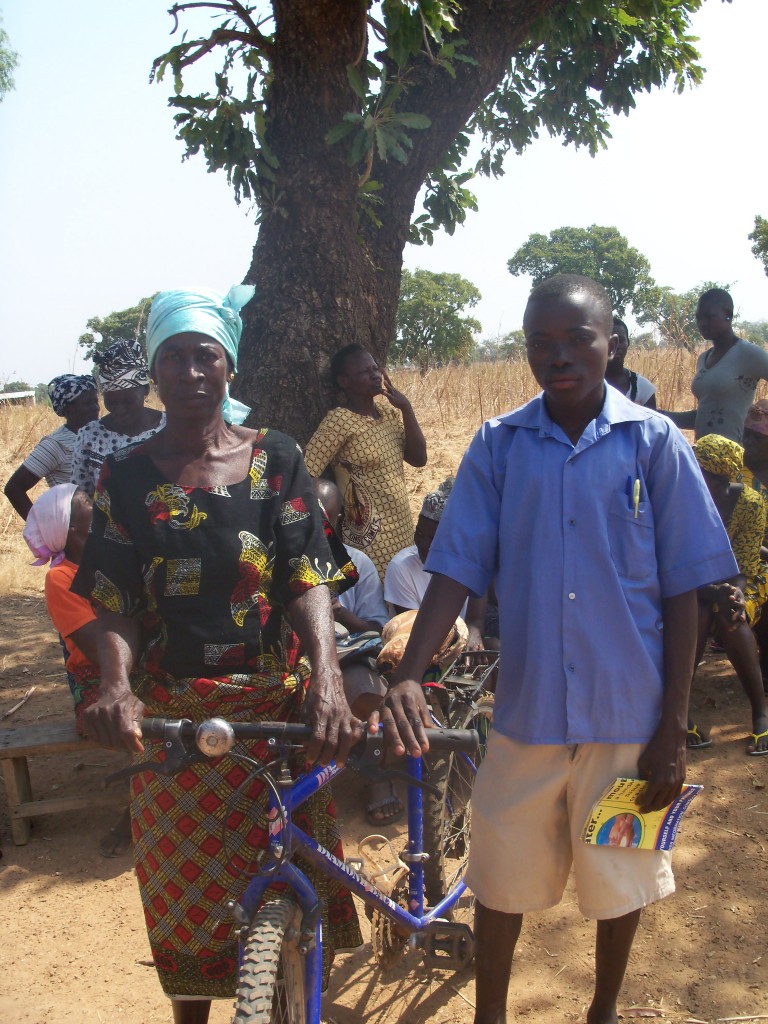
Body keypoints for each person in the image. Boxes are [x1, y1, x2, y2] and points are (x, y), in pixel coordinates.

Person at [376, 274, 737, 1024]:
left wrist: (673, 727)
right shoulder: (500, 446)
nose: (559, 355)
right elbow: (456, 569)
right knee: (498, 876)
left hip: (629, 719)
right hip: (528, 714)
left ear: (614, 344)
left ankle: (602, 1009)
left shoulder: (655, 442)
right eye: (541, 343)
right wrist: (409, 675)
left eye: (578, 339)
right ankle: (491, 1015)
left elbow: (685, 591)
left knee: (621, 878)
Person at [72, 286, 363, 1023]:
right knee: (185, 897)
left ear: (230, 368)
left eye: (207, 356)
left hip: (274, 708)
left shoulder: (278, 457)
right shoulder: (128, 478)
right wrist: (115, 684)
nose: (192, 371)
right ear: (154, 371)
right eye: (175, 356)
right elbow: (112, 596)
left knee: (291, 873)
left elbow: (307, 579)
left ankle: (299, 996)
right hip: (172, 722)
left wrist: (327, 680)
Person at [22, 483, 134, 856]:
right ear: (70, 530)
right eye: (86, 510)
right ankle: (133, 816)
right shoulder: (61, 579)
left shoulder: (103, 563)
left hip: (129, 669)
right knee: (160, 713)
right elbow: (99, 653)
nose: (95, 508)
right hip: (97, 684)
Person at [314, 478, 399, 824]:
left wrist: (341, 614)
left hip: (347, 652)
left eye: (324, 520)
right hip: (299, 658)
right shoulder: (282, 556)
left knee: (366, 692)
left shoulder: (356, 564)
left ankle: (376, 777)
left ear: (335, 522)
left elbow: (380, 631)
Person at [304, 343, 427, 581]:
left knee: (402, 607)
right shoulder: (339, 421)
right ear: (344, 381)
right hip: (368, 541)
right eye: (365, 372)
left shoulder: (388, 414)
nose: (375, 375)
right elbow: (307, 473)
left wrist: (407, 409)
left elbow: (419, 459)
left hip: (402, 531)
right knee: (377, 606)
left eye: (375, 368)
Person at [685, 434, 768, 755]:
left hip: (736, 578)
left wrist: (731, 594)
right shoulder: (678, 498)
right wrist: (711, 590)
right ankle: (679, 714)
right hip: (689, 580)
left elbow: (743, 565)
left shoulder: (750, 504)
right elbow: (670, 560)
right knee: (699, 610)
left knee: (733, 614)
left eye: (720, 479)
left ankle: (760, 715)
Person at [384, 477, 486, 649]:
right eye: (420, 534)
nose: (424, 545)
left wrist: (474, 636)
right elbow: (413, 632)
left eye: (434, 538)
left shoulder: (471, 561)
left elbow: (476, 619)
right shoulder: (402, 567)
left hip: (459, 643)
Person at [658, 288, 768, 442]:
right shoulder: (703, 359)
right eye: (698, 318)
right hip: (705, 455)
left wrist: (761, 417)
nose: (702, 323)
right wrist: (656, 414)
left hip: (737, 458)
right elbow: (704, 416)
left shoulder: (749, 354)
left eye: (709, 317)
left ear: (728, 315)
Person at [70, 339, 165, 496]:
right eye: (112, 403)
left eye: (128, 401)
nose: (120, 410)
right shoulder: (89, 436)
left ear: (146, 390)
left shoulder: (171, 427)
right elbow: (81, 497)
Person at [4, 374, 99, 519]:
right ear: (67, 409)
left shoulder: (102, 435)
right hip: (77, 534)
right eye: (87, 403)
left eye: (95, 401)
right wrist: (42, 529)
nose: (96, 408)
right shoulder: (55, 444)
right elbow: (14, 488)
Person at [604, 318, 656, 408]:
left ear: (628, 343)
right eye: (610, 340)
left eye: (621, 340)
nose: (615, 346)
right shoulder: (585, 385)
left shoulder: (643, 389)